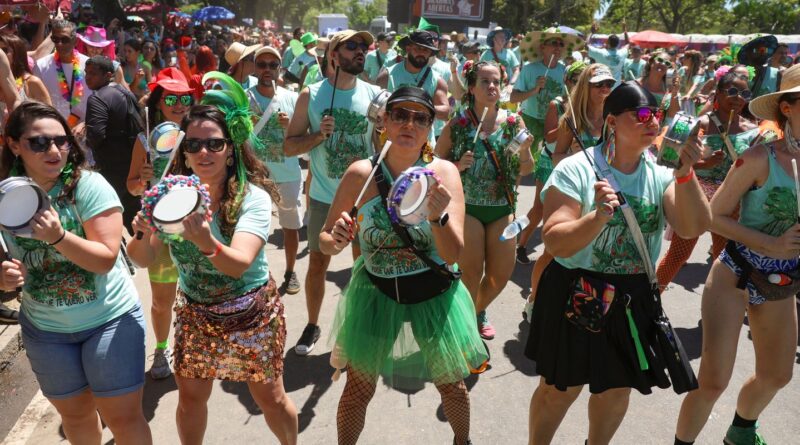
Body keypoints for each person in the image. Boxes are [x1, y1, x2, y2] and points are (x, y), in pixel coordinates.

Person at [526, 81, 710, 444]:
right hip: (576, 289)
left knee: (616, 390)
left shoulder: (660, 174)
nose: (652, 121)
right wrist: (596, 218)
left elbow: (694, 226)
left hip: (631, 295)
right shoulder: (576, 170)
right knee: (559, 388)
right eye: (640, 114)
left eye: (656, 114)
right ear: (611, 121)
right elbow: (555, 241)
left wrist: (687, 173)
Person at [320, 86, 487, 445]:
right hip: (376, 292)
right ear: (384, 121)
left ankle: (463, 441)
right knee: (357, 390)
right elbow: (324, 242)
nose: (408, 124)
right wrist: (335, 237)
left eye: (420, 117)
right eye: (400, 115)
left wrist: (438, 216)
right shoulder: (360, 174)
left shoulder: (443, 173)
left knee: (453, 387)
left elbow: (454, 253)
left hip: (434, 292)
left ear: (430, 126)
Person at [127, 102, 298, 445]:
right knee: (190, 400)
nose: (204, 152)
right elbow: (143, 258)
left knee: (271, 399)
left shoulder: (253, 198)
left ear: (231, 150)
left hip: (251, 314)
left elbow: (238, 264)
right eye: (193, 145)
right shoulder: (173, 194)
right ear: (184, 153)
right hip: (196, 313)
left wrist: (206, 241)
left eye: (214, 143)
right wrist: (142, 232)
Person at [0, 101, 152, 444]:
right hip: (46, 331)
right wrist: (2, 278)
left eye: (62, 140)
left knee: (123, 418)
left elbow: (105, 259)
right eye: (38, 142)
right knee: (76, 418)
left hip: (109, 321)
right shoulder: (5, 194)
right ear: (13, 144)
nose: (53, 150)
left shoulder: (88, 186)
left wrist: (58, 237)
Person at [674, 64, 800, 445]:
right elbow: (712, 217)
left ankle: (741, 431)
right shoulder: (760, 158)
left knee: (777, 375)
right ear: (787, 108)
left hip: (783, 282)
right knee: (713, 380)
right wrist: (771, 245)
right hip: (736, 273)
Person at [285, 30, 381, 355]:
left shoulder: (376, 95)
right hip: (324, 198)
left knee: (362, 267)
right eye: (351, 46)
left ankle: (353, 328)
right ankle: (312, 325)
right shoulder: (311, 95)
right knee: (317, 264)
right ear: (332, 55)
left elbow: (382, 149)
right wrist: (316, 136)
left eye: (363, 46)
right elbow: (288, 146)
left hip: (363, 199)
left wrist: (383, 135)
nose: (360, 51)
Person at [436, 61, 534, 339]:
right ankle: (469, 319)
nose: (492, 87)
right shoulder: (459, 124)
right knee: (471, 271)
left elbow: (527, 169)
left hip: (503, 208)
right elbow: (435, 165)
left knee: (500, 275)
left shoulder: (514, 122)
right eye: (485, 82)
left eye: (496, 82)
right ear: (471, 87)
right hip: (468, 209)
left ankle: (474, 309)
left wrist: (525, 152)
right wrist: (456, 164)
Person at [656, 66, 763, 290]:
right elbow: (669, 160)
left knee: (722, 260)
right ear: (718, 93)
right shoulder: (698, 125)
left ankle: (715, 306)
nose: (738, 99)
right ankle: (651, 297)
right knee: (678, 256)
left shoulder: (753, 132)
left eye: (744, 94)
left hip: (731, 202)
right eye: (732, 92)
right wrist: (704, 163)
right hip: (696, 196)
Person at [521, 63, 612, 319]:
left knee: (593, 251)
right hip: (573, 191)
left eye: (609, 84)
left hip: (602, 192)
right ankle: (534, 297)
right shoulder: (571, 119)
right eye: (599, 85)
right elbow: (555, 157)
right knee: (553, 252)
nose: (605, 89)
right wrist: (571, 155)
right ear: (586, 87)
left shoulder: (613, 118)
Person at [125, 67, 194, 380]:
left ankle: (193, 343)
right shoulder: (146, 139)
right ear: (159, 101)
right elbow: (132, 187)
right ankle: (162, 348)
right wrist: (143, 179)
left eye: (185, 98)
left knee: (199, 295)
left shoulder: (200, 135)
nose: (179, 104)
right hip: (160, 230)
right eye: (172, 98)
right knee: (162, 300)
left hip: (197, 227)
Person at [516, 61, 587, 266]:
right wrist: (568, 120)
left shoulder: (587, 106)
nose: (580, 85)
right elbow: (548, 137)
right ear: (567, 81)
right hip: (550, 160)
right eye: (576, 80)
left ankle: (557, 254)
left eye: (584, 80)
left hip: (574, 162)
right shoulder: (557, 104)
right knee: (539, 208)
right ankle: (521, 244)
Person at [247, 46, 302, 295]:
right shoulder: (244, 98)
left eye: (272, 65)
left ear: (280, 68)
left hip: (288, 174)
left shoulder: (292, 97)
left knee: (290, 227)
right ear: (255, 68)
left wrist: (289, 125)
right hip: (256, 176)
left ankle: (291, 272)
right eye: (262, 64)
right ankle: (258, 276)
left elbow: (302, 137)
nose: (267, 69)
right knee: (255, 227)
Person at [84, 55, 141, 232]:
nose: (88, 77)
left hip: (110, 168)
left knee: (109, 215)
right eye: (86, 73)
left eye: (93, 73)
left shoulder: (98, 98)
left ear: (108, 75)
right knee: (133, 214)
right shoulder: (126, 92)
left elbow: (96, 135)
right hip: (132, 164)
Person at [512, 27, 582, 152]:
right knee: (518, 156)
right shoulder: (529, 69)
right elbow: (513, 98)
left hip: (555, 125)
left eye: (561, 44)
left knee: (548, 162)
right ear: (542, 47)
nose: (558, 47)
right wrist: (534, 90)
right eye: (554, 43)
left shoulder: (566, 71)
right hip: (529, 121)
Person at [378, 30, 450, 139]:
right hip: (392, 143)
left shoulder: (437, 80)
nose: (421, 53)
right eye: (418, 48)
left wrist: (418, 107)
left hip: (424, 147)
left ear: (430, 53)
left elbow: (445, 112)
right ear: (408, 48)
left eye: (426, 50)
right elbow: (376, 110)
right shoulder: (387, 76)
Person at [33, 19, 90, 127]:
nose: (59, 44)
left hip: (82, 132)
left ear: (76, 41)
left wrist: (85, 124)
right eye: (55, 39)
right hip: (52, 130)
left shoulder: (89, 66)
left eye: (64, 39)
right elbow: (35, 101)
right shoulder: (41, 66)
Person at [0, 34, 50, 104]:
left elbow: (49, 114)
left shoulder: (32, 83)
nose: (1, 54)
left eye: (4, 50)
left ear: (17, 55)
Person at [639, 49, 681, 121]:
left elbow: (673, 115)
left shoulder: (670, 91)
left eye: (667, 63)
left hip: (660, 130)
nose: (663, 64)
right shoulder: (636, 85)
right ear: (651, 61)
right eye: (660, 60)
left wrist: (674, 92)